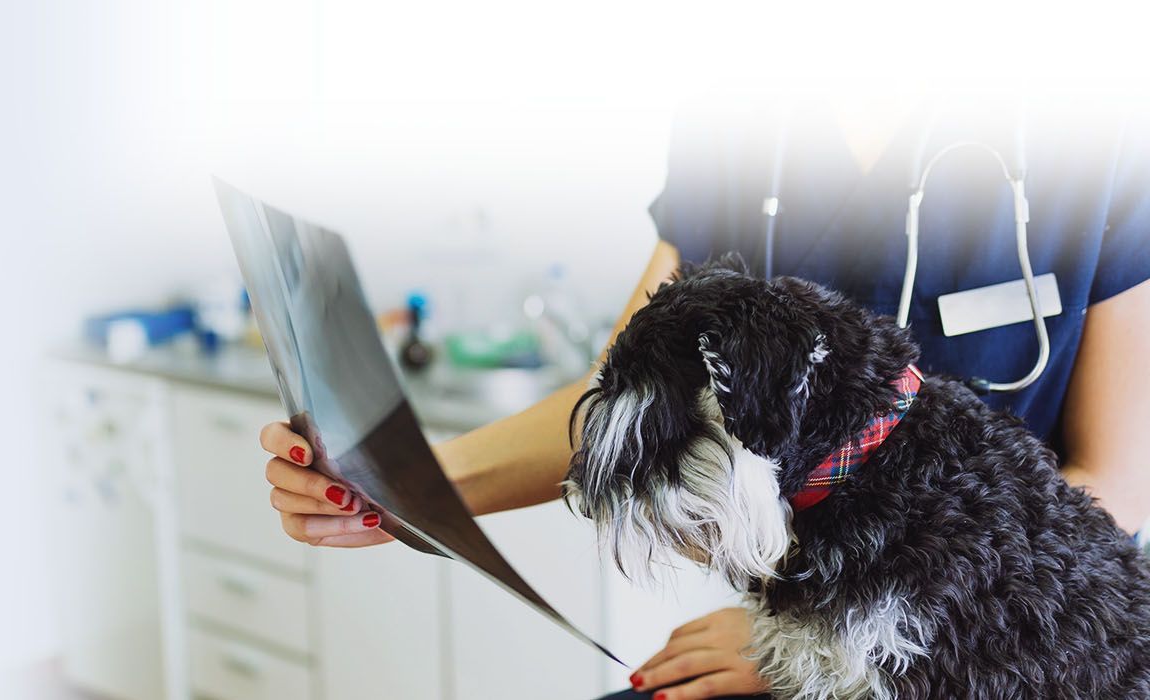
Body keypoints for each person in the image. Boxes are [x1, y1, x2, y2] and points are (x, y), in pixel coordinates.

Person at [255, 97, 1150, 700]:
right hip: (803, 627)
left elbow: (1118, 481)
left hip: (1001, 650)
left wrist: (811, 645)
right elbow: (626, 399)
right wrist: (401, 481)